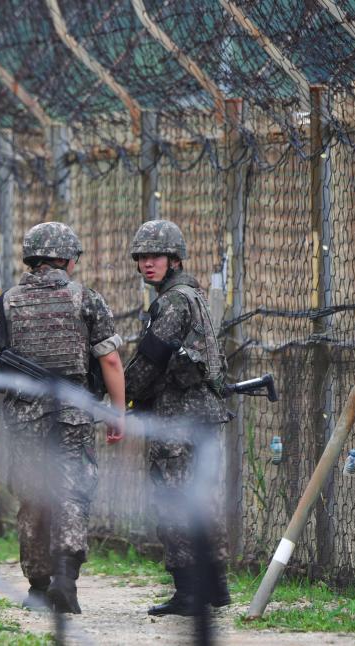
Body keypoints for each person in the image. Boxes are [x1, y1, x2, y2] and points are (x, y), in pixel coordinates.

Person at [0, 222, 125, 614]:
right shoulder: (86, 299)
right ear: (68, 259)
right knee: (71, 492)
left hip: (22, 417)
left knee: (33, 496)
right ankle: (66, 580)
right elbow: (110, 359)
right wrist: (117, 413)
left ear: (31, 258)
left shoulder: (2, 303)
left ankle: (38, 585)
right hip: (72, 414)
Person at [123, 219, 231, 616]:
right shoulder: (192, 295)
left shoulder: (172, 302)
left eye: (156, 256)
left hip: (178, 420)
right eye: (142, 257)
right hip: (200, 417)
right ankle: (215, 585)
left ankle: (189, 592)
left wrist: (121, 391)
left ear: (174, 259)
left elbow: (151, 361)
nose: (148, 263)